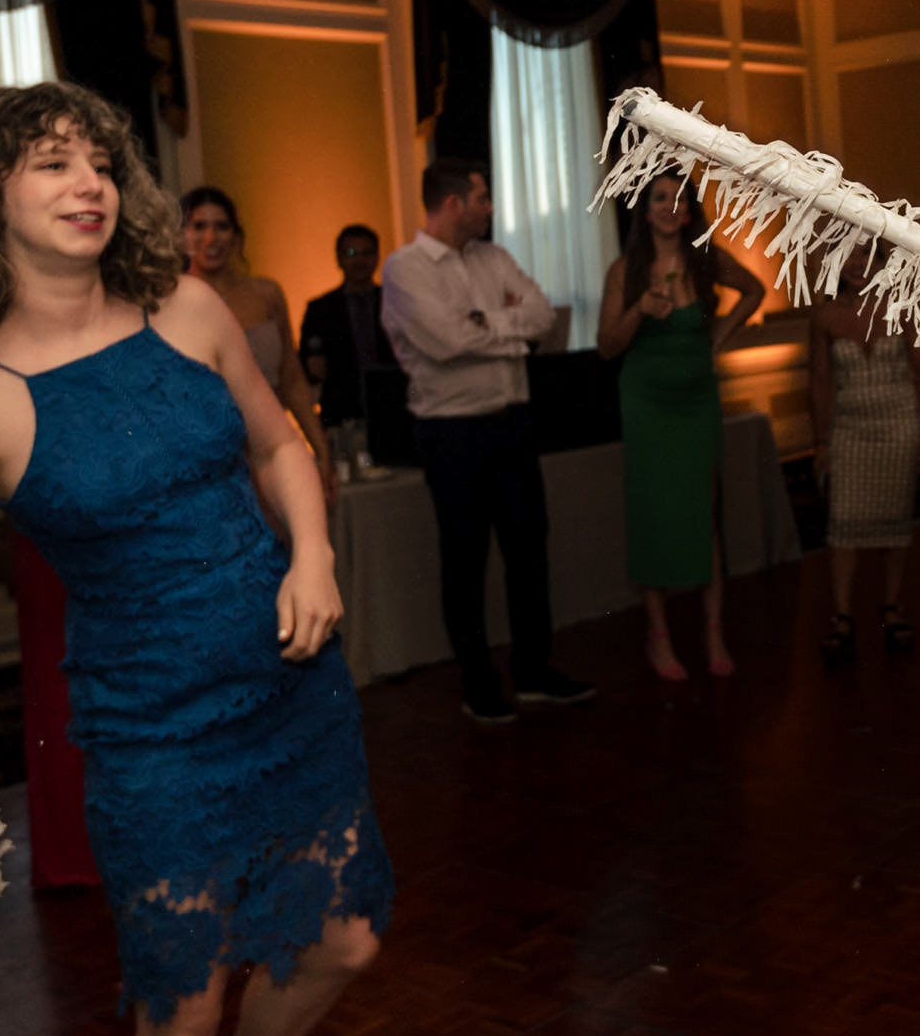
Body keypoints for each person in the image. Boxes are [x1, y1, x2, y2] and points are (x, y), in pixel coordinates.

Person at [0, 83, 391, 1036]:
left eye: (102, 164)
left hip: (293, 687)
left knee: (344, 943)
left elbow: (279, 444)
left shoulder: (185, 307)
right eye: (55, 163)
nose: (91, 183)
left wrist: (311, 554)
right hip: (153, 733)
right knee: (183, 1007)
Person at [381, 159, 593, 724]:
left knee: (529, 551)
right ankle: (478, 682)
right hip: (452, 433)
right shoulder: (404, 269)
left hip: (512, 424)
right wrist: (508, 332)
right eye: (483, 197)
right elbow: (446, 342)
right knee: (465, 559)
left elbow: (544, 316)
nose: (490, 208)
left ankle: (533, 671)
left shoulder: (494, 258)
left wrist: (486, 324)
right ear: (453, 203)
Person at [595, 172, 765, 681]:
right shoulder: (625, 271)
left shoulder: (705, 259)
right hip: (646, 403)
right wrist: (639, 309)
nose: (670, 205)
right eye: (660, 197)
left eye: (679, 198)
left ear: (690, 210)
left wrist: (717, 340)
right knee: (653, 514)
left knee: (702, 512)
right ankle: (659, 636)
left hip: (695, 401)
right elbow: (607, 346)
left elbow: (755, 290)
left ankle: (712, 633)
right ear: (645, 210)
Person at [809, 254, 920, 660]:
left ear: (882, 259)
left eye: (866, 252)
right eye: (848, 255)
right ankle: (842, 615)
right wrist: (821, 442)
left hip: (899, 422)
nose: (857, 263)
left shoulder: (904, 305)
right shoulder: (825, 316)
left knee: (895, 519)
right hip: (848, 427)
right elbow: (820, 380)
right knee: (842, 520)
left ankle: (892, 606)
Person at [180, 187, 332, 502]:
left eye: (222, 226)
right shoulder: (167, 301)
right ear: (182, 235)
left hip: (273, 451)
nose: (211, 237)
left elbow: (292, 379)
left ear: (237, 236)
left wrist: (321, 450)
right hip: (205, 463)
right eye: (199, 226)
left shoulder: (266, 294)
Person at [300, 225, 399, 431]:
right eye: (351, 253)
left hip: (393, 407)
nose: (359, 260)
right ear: (339, 258)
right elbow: (305, 364)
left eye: (367, 253)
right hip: (340, 414)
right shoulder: (320, 309)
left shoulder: (396, 302)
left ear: (377, 257)